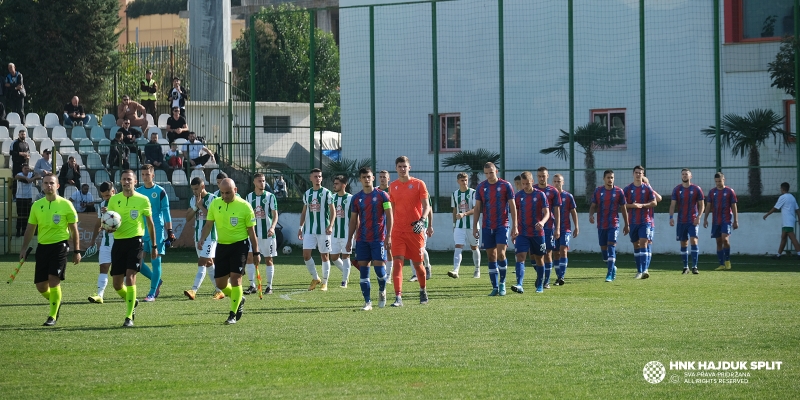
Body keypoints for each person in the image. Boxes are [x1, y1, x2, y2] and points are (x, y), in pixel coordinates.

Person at [18, 175, 81, 326]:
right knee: (41, 286)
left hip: (60, 246)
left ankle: (52, 316)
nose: (48, 186)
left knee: (54, 280)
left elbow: (74, 230)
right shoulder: (36, 205)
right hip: (42, 247)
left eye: (51, 183)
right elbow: (30, 228)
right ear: (42, 186)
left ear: (58, 186)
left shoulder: (66, 205)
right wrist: (23, 248)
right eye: (45, 183)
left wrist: (77, 250)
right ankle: (56, 301)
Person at [197, 178, 259, 325]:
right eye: (222, 193)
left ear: (235, 190)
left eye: (228, 193)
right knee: (221, 284)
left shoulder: (245, 206)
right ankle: (239, 298)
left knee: (236, 279)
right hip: (222, 246)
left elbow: (252, 232)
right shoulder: (215, 203)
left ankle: (232, 314)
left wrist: (256, 253)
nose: (224, 196)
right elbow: (208, 225)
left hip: (240, 246)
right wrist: (202, 239)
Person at [106, 169, 157, 328]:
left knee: (130, 277)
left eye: (129, 179)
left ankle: (129, 317)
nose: (126, 182)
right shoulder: (114, 200)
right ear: (120, 182)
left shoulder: (143, 200)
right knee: (116, 284)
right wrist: (108, 228)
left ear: (135, 182)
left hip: (136, 242)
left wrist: (154, 246)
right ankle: (132, 300)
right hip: (119, 243)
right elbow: (109, 221)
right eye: (124, 179)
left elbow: (150, 224)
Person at [346, 167, 393, 310]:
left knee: (380, 271)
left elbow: (390, 216)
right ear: (360, 180)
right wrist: (349, 240)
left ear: (373, 178)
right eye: (363, 177)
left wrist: (389, 235)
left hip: (379, 238)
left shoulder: (383, 196)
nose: (366, 179)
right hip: (362, 240)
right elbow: (353, 220)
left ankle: (382, 291)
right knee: (364, 273)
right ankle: (367, 302)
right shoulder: (356, 198)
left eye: (369, 177)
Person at [472, 162, 517, 296]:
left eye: (491, 172)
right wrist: (475, 226)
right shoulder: (481, 187)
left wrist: (515, 225)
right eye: (486, 173)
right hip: (487, 226)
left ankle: (502, 283)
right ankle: (495, 286)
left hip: (502, 225)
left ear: (496, 171)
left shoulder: (505, 185)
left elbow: (513, 207)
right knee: (491, 256)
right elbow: (478, 208)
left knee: (501, 254)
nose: (489, 175)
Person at [136, 164, 175, 302]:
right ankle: (157, 281)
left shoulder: (160, 191)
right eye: (143, 174)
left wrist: (169, 231)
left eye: (148, 174)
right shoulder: (137, 191)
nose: (145, 177)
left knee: (155, 261)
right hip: (141, 230)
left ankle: (152, 293)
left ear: (153, 175)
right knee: (137, 263)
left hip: (157, 230)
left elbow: (166, 212)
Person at [185, 177, 223, 300]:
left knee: (202, 261)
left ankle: (193, 290)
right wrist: (196, 207)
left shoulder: (213, 199)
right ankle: (220, 290)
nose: (195, 192)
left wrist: (201, 206)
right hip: (198, 236)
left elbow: (216, 217)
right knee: (209, 264)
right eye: (193, 189)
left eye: (196, 189)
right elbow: (188, 217)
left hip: (210, 237)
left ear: (202, 187)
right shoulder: (193, 200)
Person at [511, 171, 550, 294]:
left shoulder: (540, 195)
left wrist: (542, 222)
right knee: (520, 257)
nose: (525, 186)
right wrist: (514, 228)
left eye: (527, 183)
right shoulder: (518, 196)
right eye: (523, 184)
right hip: (522, 232)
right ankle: (519, 284)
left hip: (537, 233)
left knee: (539, 258)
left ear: (532, 181)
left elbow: (547, 212)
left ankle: (540, 285)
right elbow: (515, 214)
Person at [298, 168, 336, 291]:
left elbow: (333, 211)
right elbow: (304, 212)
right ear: (310, 178)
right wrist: (301, 227)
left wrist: (330, 225)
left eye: (319, 176)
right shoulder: (307, 193)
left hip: (323, 230)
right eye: (315, 176)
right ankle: (315, 278)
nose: (317, 178)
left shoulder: (326, 193)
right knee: (306, 255)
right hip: (309, 229)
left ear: (321, 178)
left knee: (324, 256)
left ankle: (325, 282)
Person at [588, 170, 629, 282]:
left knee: (611, 246)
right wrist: (591, 215)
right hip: (601, 224)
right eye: (608, 177)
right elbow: (593, 206)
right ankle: (612, 267)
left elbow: (624, 208)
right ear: (604, 179)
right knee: (604, 249)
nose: (610, 179)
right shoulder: (598, 191)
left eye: (612, 177)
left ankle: (610, 273)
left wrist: (627, 224)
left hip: (614, 224)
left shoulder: (619, 191)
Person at [243, 173, 279, 295]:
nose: (262, 183)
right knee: (249, 258)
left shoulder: (270, 196)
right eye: (259, 181)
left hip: (267, 234)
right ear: (254, 182)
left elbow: (275, 214)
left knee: (268, 259)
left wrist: (273, 228)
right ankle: (252, 285)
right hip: (253, 234)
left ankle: (269, 287)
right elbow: (246, 215)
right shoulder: (248, 197)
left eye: (263, 181)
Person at [623, 166, 657, 279]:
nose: (638, 175)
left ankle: (644, 270)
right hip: (632, 221)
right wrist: (633, 205)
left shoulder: (647, 188)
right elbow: (622, 205)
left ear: (643, 175)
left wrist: (643, 205)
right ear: (633, 174)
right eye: (636, 173)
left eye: (640, 173)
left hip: (645, 221)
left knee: (644, 242)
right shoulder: (627, 189)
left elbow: (655, 202)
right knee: (636, 245)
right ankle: (639, 271)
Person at [668, 168, 705, 274]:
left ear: (690, 176)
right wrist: (671, 217)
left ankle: (695, 267)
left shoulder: (696, 189)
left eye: (686, 174)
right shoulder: (677, 189)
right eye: (683, 174)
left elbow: (702, 204)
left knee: (694, 240)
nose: (684, 176)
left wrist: (699, 217)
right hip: (681, 221)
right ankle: (685, 267)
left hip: (692, 220)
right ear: (681, 176)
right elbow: (672, 205)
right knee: (683, 243)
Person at [448, 172, 481, 279]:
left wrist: (464, 214)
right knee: (458, 246)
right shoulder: (454, 194)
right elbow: (454, 210)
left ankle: (477, 269)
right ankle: (456, 270)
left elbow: (476, 209)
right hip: (459, 226)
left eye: (466, 180)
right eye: (462, 180)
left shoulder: (473, 193)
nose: (464, 182)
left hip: (472, 225)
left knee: (474, 247)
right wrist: (454, 224)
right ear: (458, 181)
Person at [703, 172, 738, 271]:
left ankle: (727, 261)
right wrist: (705, 218)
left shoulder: (730, 191)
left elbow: (734, 207)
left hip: (726, 219)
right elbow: (709, 206)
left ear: (724, 180)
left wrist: (735, 220)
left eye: (720, 181)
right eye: (716, 181)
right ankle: (721, 264)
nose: (718, 183)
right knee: (718, 242)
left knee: (725, 239)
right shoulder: (712, 192)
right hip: (716, 220)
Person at [88, 182, 116, 304]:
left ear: (113, 192)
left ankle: (129, 294)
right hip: (106, 241)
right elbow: (98, 223)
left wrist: (111, 213)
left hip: (120, 241)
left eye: (108, 196)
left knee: (122, 272)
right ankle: (99, 295)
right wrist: (93, 240)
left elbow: (122, 221)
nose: (106, 198)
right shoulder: (102, 205)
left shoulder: (121, 202)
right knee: (103, 267)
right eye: (104, 196)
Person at [534, 167, 561, 289]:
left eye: (543, 176)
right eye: (539, 176)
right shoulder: (533, 189)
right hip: (534, 227)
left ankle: (546, 281)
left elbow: (556, 210)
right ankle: (541, 274)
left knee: (548, 253)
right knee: (533, 255)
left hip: (549, 226)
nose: (541, 178)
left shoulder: (553, 191)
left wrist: (558, 228)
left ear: (547, 176)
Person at [552, 173, 578, 285]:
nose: (557, 183)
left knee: (563, 250)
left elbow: (573, 212)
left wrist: (576, 226)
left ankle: (562, 276)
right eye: (555, 181)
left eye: (559, 181)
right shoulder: (549, 196)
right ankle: (558, 277)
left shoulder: (568, 196)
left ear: (563, 182)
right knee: (556, 253)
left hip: (565, 228)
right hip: (552, 229)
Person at [763, 182, 800, 259]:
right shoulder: (792, 197)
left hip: (787, 221)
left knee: (792, 238)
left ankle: (799, 253)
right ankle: (778, 255)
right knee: (783, 237)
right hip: (789, 220)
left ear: (782, 189)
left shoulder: (783, 197)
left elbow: (775, 208)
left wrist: (767, 214)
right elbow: (797, 209)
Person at [330, 174, 354, 288]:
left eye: (337, 183)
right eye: (334, 183)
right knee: (333, 257)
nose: (334, 185)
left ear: (344, 185)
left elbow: (355, 217)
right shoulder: (332, 198)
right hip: (334, 233)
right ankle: (346, 272)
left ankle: (344, 280)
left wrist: (356, 232)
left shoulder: (350, 198)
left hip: (346, 232)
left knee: (346, 256)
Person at [641, 176, 662, 277]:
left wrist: (649, 186)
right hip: (639, 221)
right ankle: (643, 267)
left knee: (648, 243)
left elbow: (659, 199)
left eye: (644, 182)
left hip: (650, 222)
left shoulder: (649, 192)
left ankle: (645, 268)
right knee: (643, 244)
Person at [15, 164, 42, 236]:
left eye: (28, 168)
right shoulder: (19, 174)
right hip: (20, 197)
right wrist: (26, 178)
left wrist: (33, 178)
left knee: (27, 214)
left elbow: (39, 176)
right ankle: (18, 230)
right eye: (25, 168)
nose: (27, 170)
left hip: (28, 197)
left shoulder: (31, 174)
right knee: (20, 214)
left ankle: (24, 230)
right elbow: (16, 177)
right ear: (22, 169)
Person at [377, 170, 394, 280]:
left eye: (384, 177)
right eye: (381, 176)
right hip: (379, 224)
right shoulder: (376, 191)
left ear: (388, 179)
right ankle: (383, 274)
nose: (382, 178)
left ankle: (388, 275)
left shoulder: (392, 190)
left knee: (389, 249)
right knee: (380, 249)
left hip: (390, 223)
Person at [10, 128, 30, 197]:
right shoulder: (14, 143)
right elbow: (11, 152)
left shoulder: (26, 144)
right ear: (19, 135)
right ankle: (14, 196)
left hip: (24, 165)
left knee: (24, 180)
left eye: (24, 134)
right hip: (16, 165)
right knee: (16, 180)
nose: (23, 135)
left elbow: (28, 153)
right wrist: (20, 153)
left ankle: (23, 195)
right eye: (21, 134)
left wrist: (27, 157)